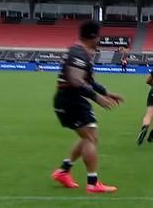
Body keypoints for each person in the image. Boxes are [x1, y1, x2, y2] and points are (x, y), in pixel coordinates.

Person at [51, 20, 124, 193]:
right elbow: (76, 80)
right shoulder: (78, 53)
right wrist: (96, 98)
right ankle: (92, 183)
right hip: (71, 101)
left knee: (89, 137)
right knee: (90, 139)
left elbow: (88, 81)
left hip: (71, 100)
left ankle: (63, 171)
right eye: (98, 37)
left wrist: (106, 92)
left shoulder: (79, 51)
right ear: (93, 37)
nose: (99, 40)